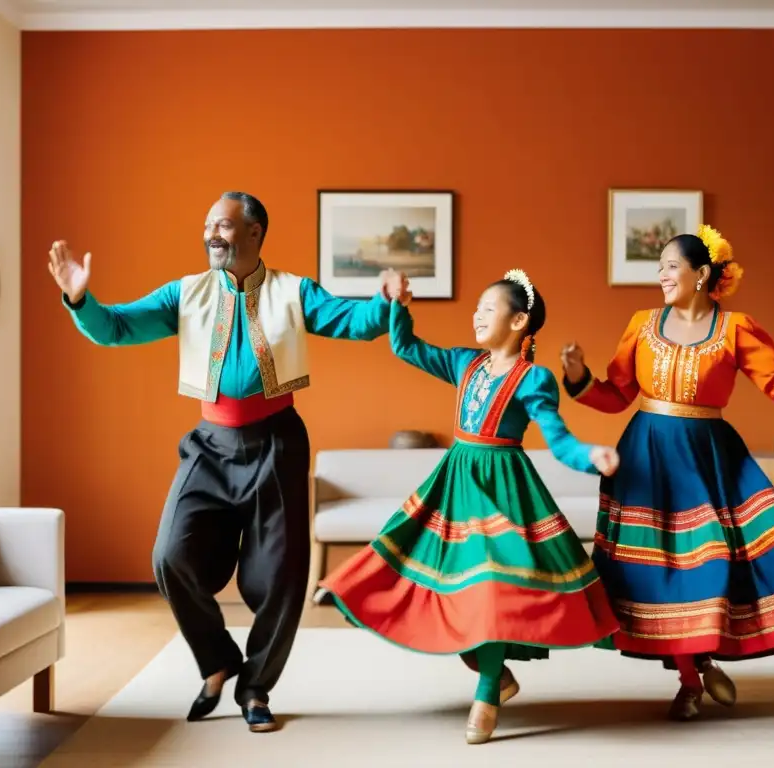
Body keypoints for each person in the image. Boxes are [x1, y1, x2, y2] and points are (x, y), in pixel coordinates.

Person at [48, 191, 408, 733]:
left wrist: (385, 305)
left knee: (284, 579)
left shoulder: (293, 291)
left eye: (224, 224)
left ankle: (256, 687)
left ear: (256, 232)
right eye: (208, 224)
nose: (212, 234)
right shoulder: (185, 293)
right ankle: (217, 660)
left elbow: (353, 320)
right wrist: (81, 300)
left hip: (278, 444)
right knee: (170, 555)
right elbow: (117, 327)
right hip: (210, 447)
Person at [319, 269, 622, 745]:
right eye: (476, 307)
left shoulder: (533, 378)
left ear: (520, 320)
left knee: (493, 588)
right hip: (454, 485)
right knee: (451, 587)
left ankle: (487, 693)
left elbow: (559, 440)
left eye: (488, 307)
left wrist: (591, 457)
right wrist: (398, 305)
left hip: (504, 490)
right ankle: (495, 672)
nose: (476, 314)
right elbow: (406, 347)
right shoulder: (465, 363)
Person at [560, 225, 774, 721]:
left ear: (701, 274)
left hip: (709, 461)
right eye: (660, 267)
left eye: (671, 266)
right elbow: (615, 396)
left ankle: (700, 664)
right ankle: (692, 678)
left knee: (707, 568)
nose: (662, 276)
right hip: (646, 459)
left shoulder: (737, 328)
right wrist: (579, 376)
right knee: (653, 576)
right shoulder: (641, 323)